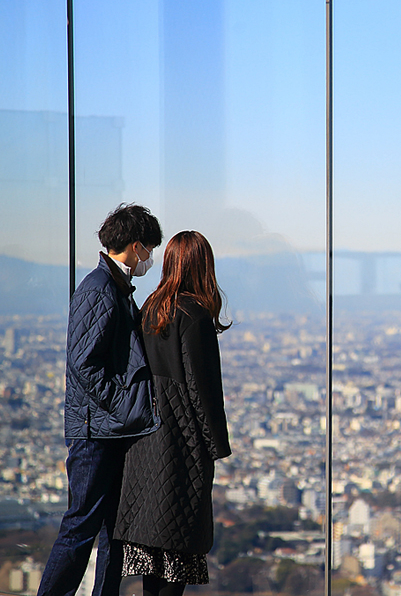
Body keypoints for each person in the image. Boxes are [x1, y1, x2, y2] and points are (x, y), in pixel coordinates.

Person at [38, 204, 163, 596]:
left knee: (114, 529)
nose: (149, 258)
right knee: (81, 526)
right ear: (135, 245)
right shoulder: (100, 288)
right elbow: (83, 363)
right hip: (96, 431)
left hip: (107, 428)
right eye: (149, 248)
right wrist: (122, 406)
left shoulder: (114, 287)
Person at [114, 230, 232, 596]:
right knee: (178, 556)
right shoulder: (194, 315)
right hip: (182, 445)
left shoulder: (151, 307)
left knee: (153, 557)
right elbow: (202, 388)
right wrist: (216, 446)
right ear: (203, 267)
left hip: (146, 442)